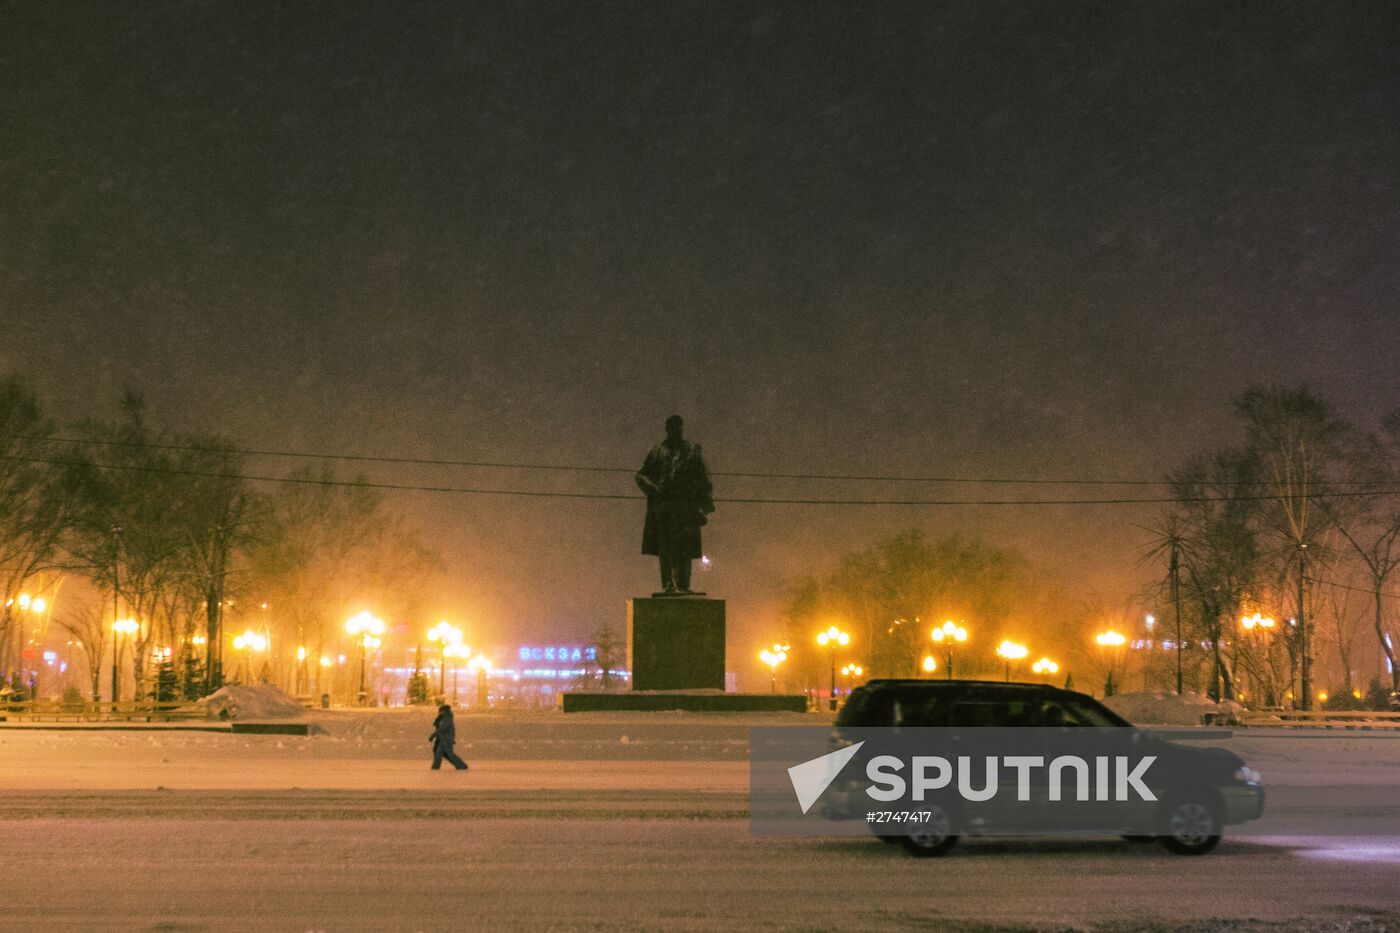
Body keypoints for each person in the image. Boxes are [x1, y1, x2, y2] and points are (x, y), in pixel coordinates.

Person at [635, 415, 715, 595]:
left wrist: (704, 508)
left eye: (678, 428)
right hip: (664, 508)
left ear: (682, 429)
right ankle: (668, 585)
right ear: (667, 430)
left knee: (685, 548)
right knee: (665, 548)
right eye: (672, 428)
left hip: (686, 508)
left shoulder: (693, 451)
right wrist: (654, 489)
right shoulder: (656, 452)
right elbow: (640, 475)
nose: (675, 432)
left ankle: (683, 585)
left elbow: (705, 480)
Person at [429, 703, 468, 771]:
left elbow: (442, 729)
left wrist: (433, 735)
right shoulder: (445, 718)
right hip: (443, 739)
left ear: (444, 711)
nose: (439, 712)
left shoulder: (447, 718)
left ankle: (461, 765)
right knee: (439, 754)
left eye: (441, 711)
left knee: (449, 754)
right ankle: (435, 768)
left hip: (446, 740)